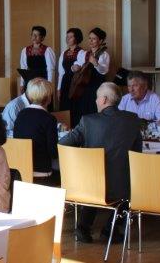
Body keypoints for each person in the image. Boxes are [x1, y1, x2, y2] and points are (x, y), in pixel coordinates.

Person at [59, 83, 143, 243]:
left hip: (91, 184)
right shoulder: (132, 119)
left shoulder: (88, 121)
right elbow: (137, 152)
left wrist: (83, 155)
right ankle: (110, 229)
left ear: (104, 99)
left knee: (95, 180)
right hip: (122, 186)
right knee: (127, 184)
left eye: (97, 98)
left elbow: (64, 144)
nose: (96, 101)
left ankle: (83, 227)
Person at [12, 78, 59, 183]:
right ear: (48, 98)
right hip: (42, 174)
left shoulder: (21, 115)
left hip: (21, 173)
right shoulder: (49, 119)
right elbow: (53, 153)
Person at [68, 27, 110, 127]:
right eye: (90, 38)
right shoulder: (84, 53)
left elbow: (104, 71)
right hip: (83, 87)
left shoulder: (104, 54)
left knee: (94, 109)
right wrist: (74, 67)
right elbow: (76, 64)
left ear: (101, 41)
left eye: (94, 39)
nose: (91, 41)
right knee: (83, 110)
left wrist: (96, 63)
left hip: (97, 86)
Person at [56, 28, 83, 111]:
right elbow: (61, 73)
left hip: (76, 83)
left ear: (76, 38)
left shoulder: (82, 52)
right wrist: (58, 88)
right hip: (65, 82)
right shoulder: (63, 53)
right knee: (64, 106)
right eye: (67, 36)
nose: (67, 39)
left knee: (75, 106)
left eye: (71, 37)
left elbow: (80, 70)